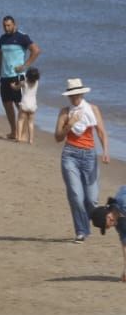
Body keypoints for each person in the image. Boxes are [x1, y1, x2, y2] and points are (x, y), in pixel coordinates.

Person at [55, 78, 110, 243]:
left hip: (89, 155)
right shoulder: (65, 112)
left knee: (91, 199)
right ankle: (81, 231)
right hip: (70, 155)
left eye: (77, 94)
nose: (75, 98)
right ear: (69, 97)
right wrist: (69, 125)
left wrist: (105, 151)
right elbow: (57, 137)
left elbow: (101, 131)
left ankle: (90, 223)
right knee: (76, 196)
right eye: (72, 95)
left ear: (82, 93)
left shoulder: (92, 109)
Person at [0, 16, 41, 140]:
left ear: (14, 24)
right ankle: (14, 132)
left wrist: (25, 66)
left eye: (9, 25)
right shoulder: (2, 38)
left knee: (21, 106)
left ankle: (24, 134)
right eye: (4, 25)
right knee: (7, 104)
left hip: (17, 77)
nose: (6, 28)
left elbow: (36, 51)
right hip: (5, 76)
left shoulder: (22, 37)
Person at [87, 186, 126, 281]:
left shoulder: (123, 203)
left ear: (108, 217)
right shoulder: (119, 222)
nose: (109, 228)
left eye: (106, 226)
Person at [17, 67, 42, 144]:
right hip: (32, 105)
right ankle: (31, 140)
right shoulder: (37, 83)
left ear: (27, 76)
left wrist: (13, 85)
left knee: (20, 120)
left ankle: (19, 137)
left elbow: (18, 87)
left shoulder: (24, 83)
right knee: (30, 122)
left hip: (24, 103)